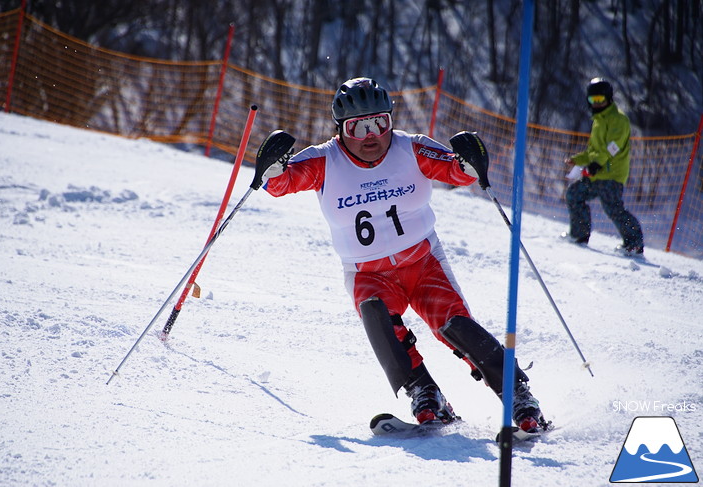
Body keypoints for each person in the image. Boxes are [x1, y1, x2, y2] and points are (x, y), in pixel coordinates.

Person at [259, 77, 546, 432]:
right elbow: (282, 183)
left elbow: (456, 170)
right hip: (368, 272)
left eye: (380, 123)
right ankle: (424, 392)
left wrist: (470, 163)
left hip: (423, 262)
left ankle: (516, 392)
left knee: (453, 324)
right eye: (358, 126)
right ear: (341, 129)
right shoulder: (324, 160)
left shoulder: (412, 149)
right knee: (376, 316)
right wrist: (273, 170)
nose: (371, 135)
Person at [563, 77, 644, 255]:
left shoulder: (619, 120)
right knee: (574, 194)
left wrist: (596, 164)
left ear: (609, 99)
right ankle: (579, 235)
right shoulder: (598, 121)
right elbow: (594, 151)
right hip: (596, 173)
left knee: (613, 208)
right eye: (593, 100)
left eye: (600, 100)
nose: (597, 104)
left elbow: (611, 148)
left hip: (612, 175)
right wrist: (577, 160)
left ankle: (634, 244)